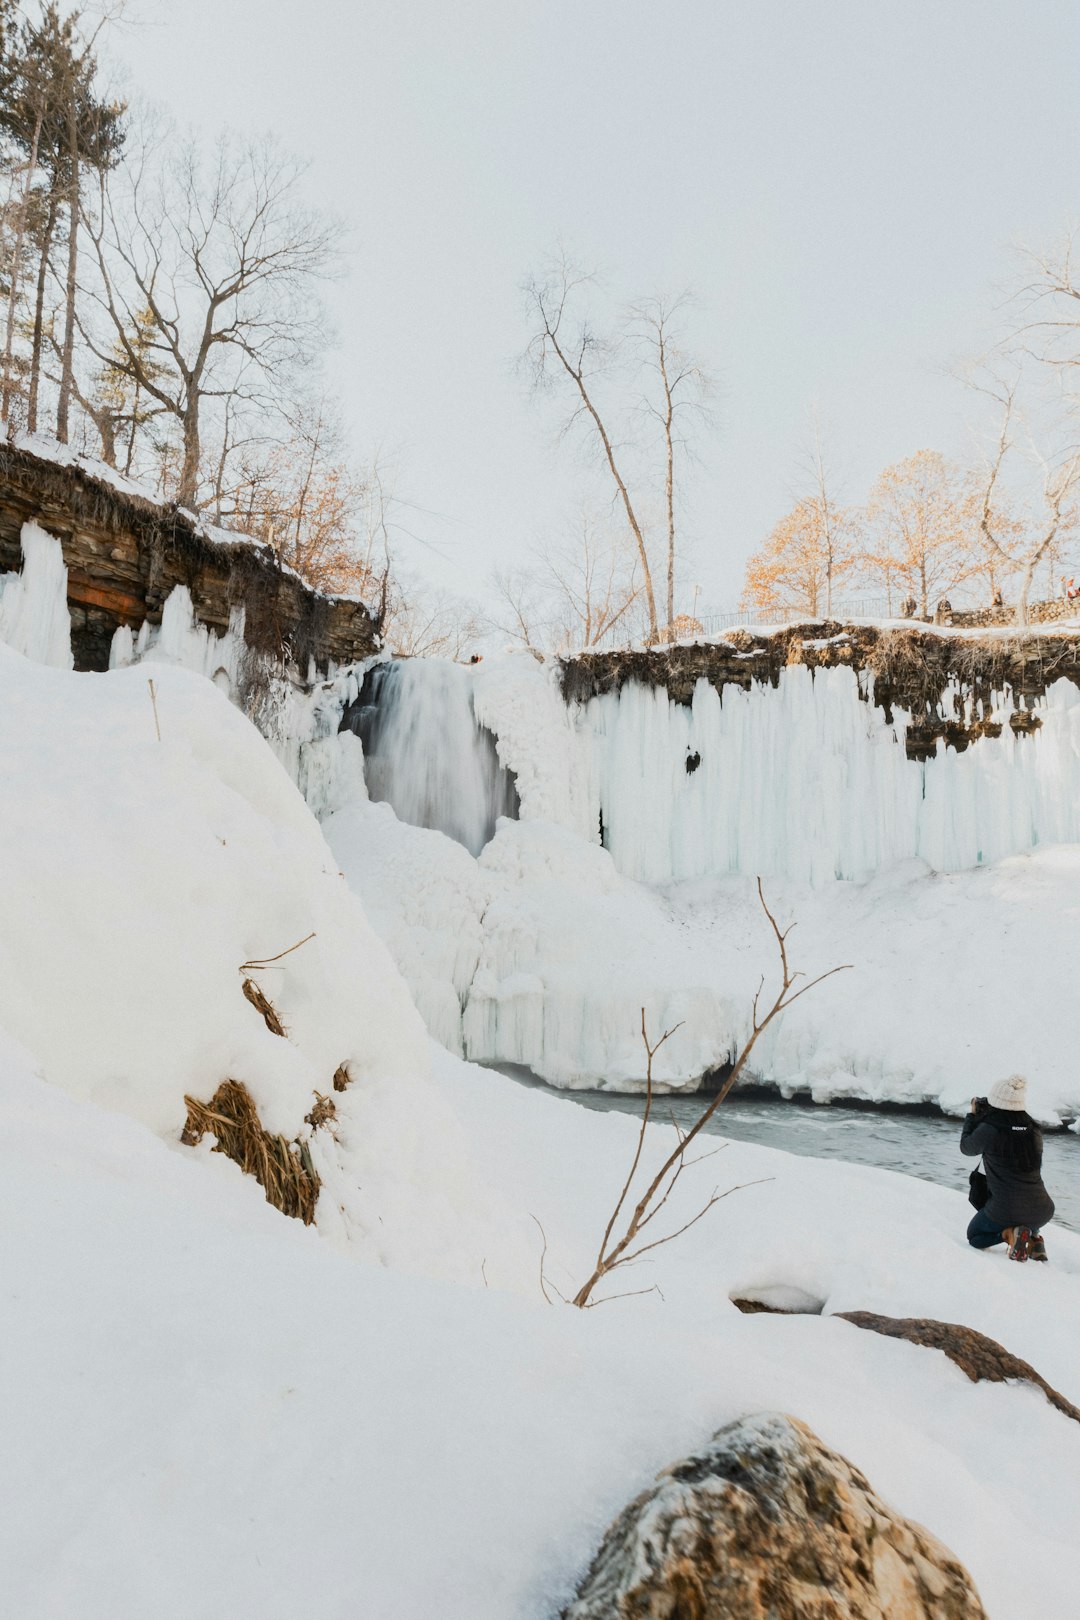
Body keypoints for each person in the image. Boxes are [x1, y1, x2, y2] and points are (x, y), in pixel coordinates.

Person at [960, 1075, 1054, 1261]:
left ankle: (1009, 1233)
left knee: (975, 1237)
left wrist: (972, 1116)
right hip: (1043, 1210)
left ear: (996, 1102)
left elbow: (966, 1147)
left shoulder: (990, 1129)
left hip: (1005, 1209)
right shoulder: (1034, 1130)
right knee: (1025, 1204)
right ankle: (1035, 1238)